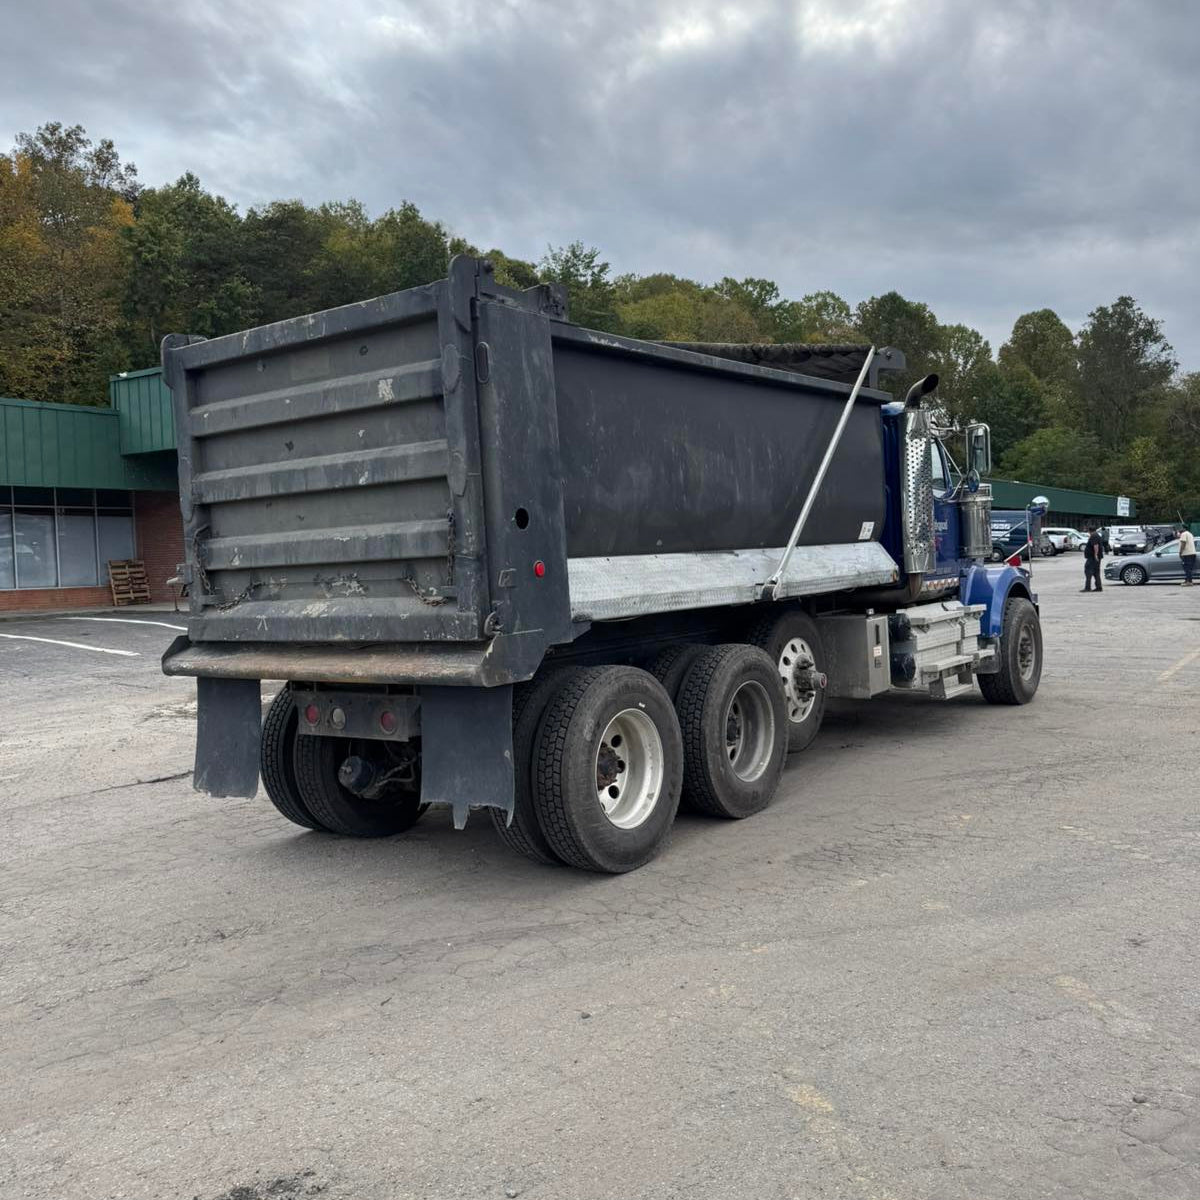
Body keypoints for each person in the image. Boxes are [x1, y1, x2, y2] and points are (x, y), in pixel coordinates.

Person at [1082, 527, 1104, 592]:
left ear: (1089, 531)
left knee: (1088, 571)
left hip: (1092, 558)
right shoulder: (1097, 535)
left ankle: (1087, 588)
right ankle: (1099, 587)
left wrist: (1095, 555)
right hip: (1095, 557)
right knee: (1096, 572)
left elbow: (1096, 546)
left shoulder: (1094, 536)